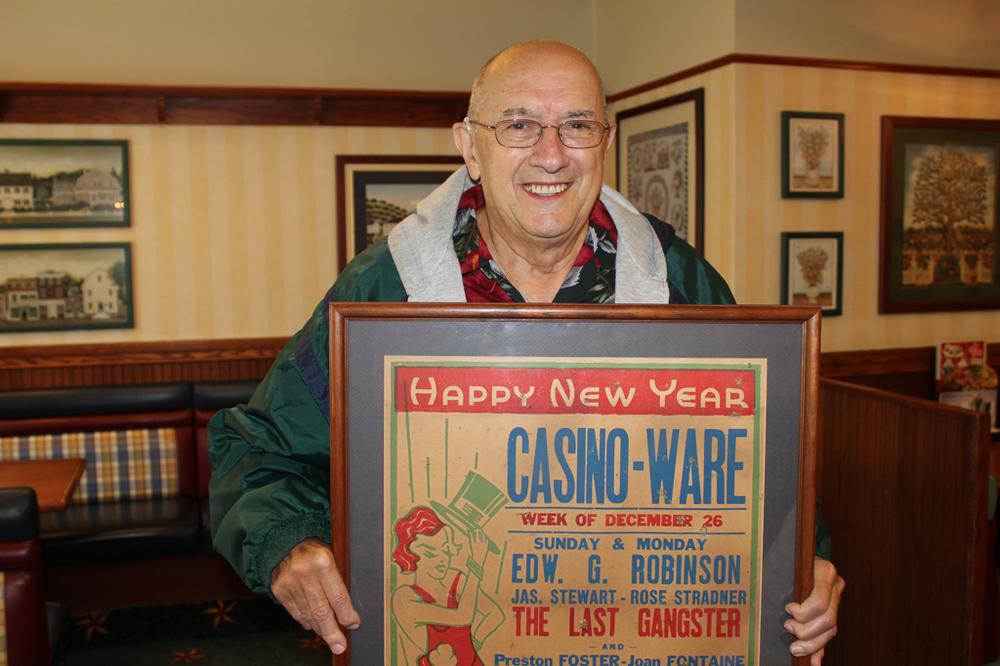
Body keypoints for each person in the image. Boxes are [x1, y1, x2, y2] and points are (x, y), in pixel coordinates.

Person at [209, 39, 844, 665]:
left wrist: (804, 564)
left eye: (578, 125)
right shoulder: (384, 291)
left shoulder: (680, 283)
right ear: (470, 146)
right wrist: (286, 541)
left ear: (605, 142)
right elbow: (259, 449)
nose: (552, 154)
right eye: (518, 125)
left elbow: (768, 468)